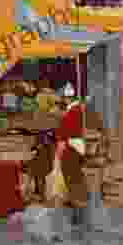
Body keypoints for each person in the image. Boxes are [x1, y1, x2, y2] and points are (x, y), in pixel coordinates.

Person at [47, 82, 87, 224]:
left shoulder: (71, 113)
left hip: (71, 149)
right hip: (77, 148)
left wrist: (58, 156)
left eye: (63, 98)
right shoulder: (78, 110)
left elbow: (63, 138)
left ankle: (78, 213)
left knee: (72, 180)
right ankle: (79, 210)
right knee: (76, 179)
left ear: (66, 98)